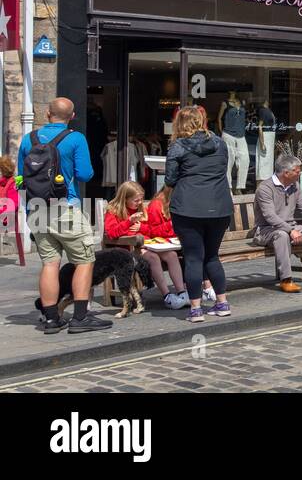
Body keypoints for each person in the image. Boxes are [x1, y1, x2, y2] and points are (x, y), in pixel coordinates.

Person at [20, 98, 111, 334]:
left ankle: (51, 319)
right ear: (72, 116)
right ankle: (80, 318)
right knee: (84, 260)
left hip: (36, 208)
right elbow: (85, 175)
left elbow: (21, 177)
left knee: (49, 262)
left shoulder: (28, 139)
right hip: (65, 207)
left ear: (47, 113)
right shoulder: (75, 138)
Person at [166, 105, 234, 322]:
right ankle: (222, 303)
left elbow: (170, 179)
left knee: (194, 258)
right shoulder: (220, 144)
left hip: (188, 208)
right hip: (219, 207)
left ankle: (196, 310)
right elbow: (222, 169)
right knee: (212, 256)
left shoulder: (177, 147)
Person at [252, 153, 302, 292]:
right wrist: (290, 230)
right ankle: (286, 280)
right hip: (266, 230)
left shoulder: (294, 186)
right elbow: (270, 217)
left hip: (290, 227)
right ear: (286, 173)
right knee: (282, 235)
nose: (300, 173)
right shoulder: (265, 188)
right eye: (297, 171)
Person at [104, 181, 189, 309]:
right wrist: (129, 222)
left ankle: (182, 293)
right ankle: (167, 296)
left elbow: (150, 229)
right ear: (125, 198)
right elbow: (111, 233)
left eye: (141, 200)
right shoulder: (113, 211)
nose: (139, 203)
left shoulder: (141, 209)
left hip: (147, 243)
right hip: (128, 248)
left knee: (171, 255)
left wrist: (142, 228)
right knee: (153, 258)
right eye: (136, 200)